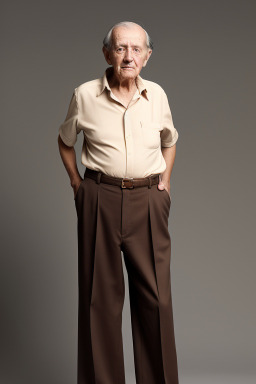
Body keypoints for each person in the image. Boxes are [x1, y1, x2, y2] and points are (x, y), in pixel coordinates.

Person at [58, 20, 179, 384]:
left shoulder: (157, 95)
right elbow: (65, 141)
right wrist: (78, 186)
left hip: (148, 200)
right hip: (100, 197)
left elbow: (170, 140)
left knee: (156, 300)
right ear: (107, 53)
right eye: (121, 48)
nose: (129, 56)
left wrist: (166, 183)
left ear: (147, 56)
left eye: (136, 49)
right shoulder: (84, 95)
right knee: (100, 303)